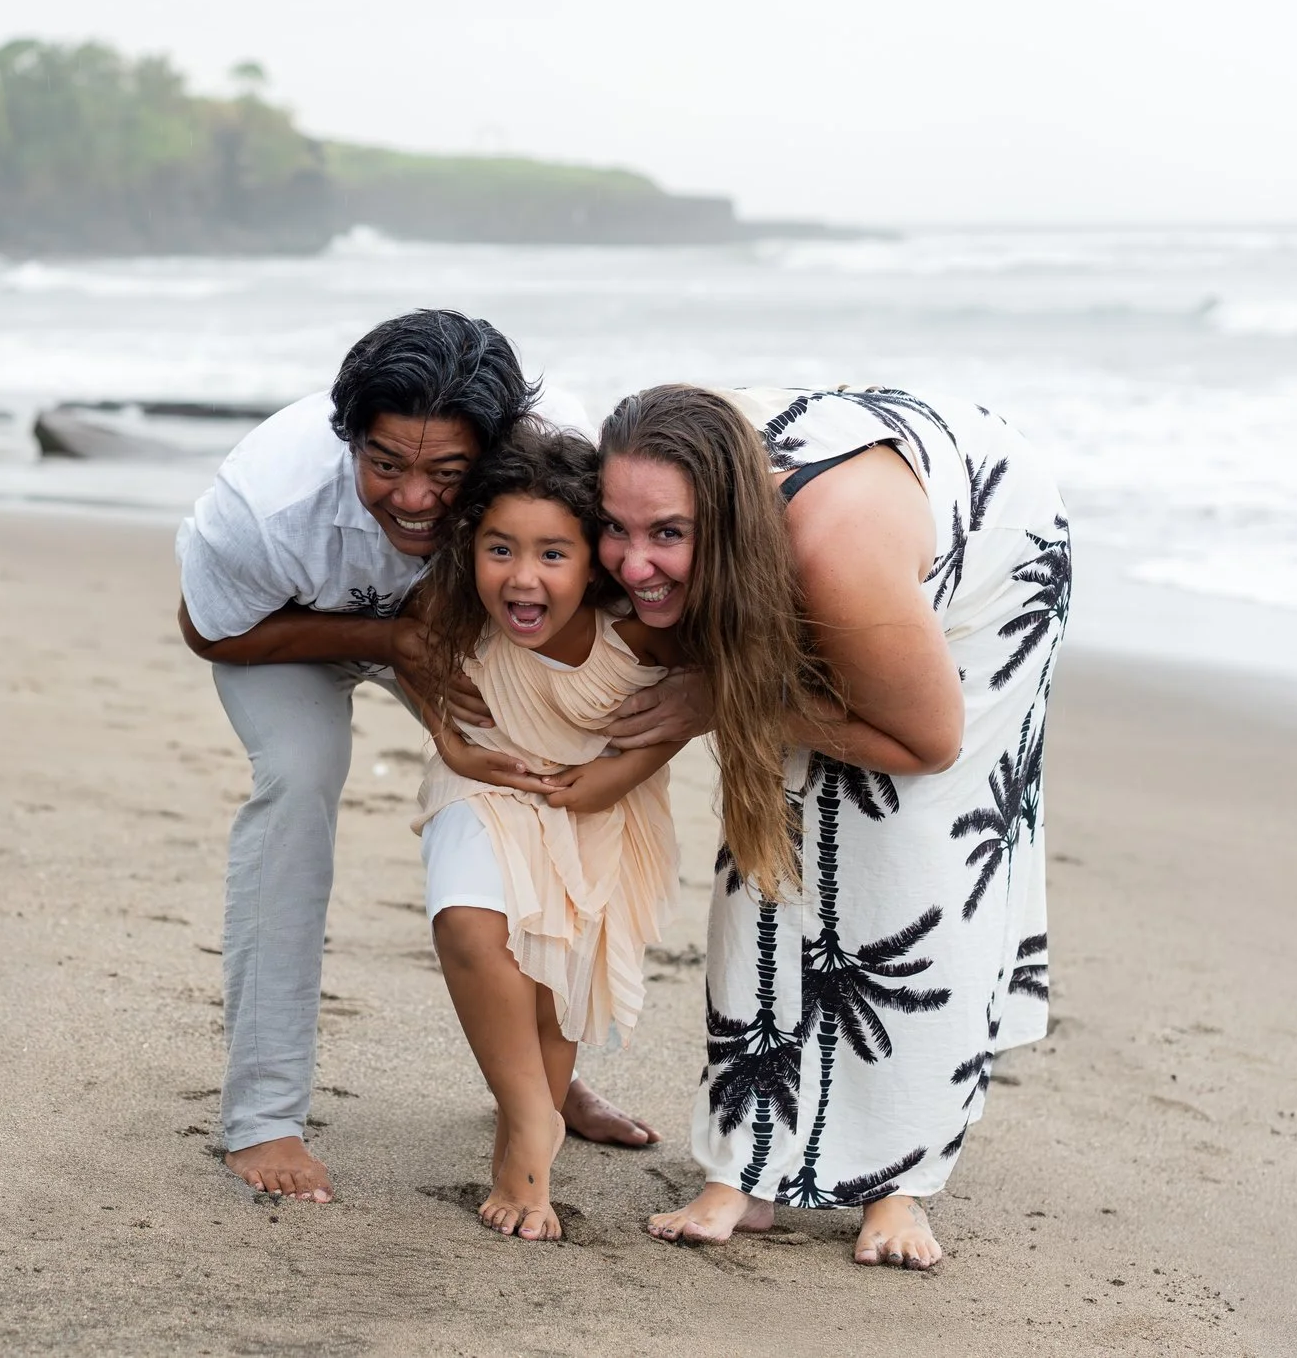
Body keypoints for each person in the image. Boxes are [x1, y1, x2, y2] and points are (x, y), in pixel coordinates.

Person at [175, 310, 658, 1205]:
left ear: (502, 448)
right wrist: (392, 640)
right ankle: (264, 1114)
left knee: (542, 786)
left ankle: (539, 1086)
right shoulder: (265, 506)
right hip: (284, 637)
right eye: (384, 464)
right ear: (347, 436)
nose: (414, 497)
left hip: (451, 635)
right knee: (298, 782)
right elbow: (210, 629)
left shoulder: (560, 460)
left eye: (448, 473)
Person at [599, 385, 1069, 1270]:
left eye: (667, 533)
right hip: (844, 478)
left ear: (728, 521)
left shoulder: (833, 557)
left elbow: (929, 742)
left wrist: (730, 697)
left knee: (910, 843)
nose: (630, 561)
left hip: (992, 543)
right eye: (615, 527)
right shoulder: (654, 489)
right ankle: (746, 1166)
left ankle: (898, 1185)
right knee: (773, 818)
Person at [403, 424, 685, 1241]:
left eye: (553, 554)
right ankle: (534, 1117)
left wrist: (625, 770)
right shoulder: (453, 605)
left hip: (593, 803)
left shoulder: (639, 629)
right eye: (501, 549)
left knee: (555, 969)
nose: (522, 577)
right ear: (471, 545)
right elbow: (412, 654)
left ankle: (522, 1162)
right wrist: (451, 738)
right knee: (467, 918)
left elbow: (709, 692)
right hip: (483, 780)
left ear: (595, 557)